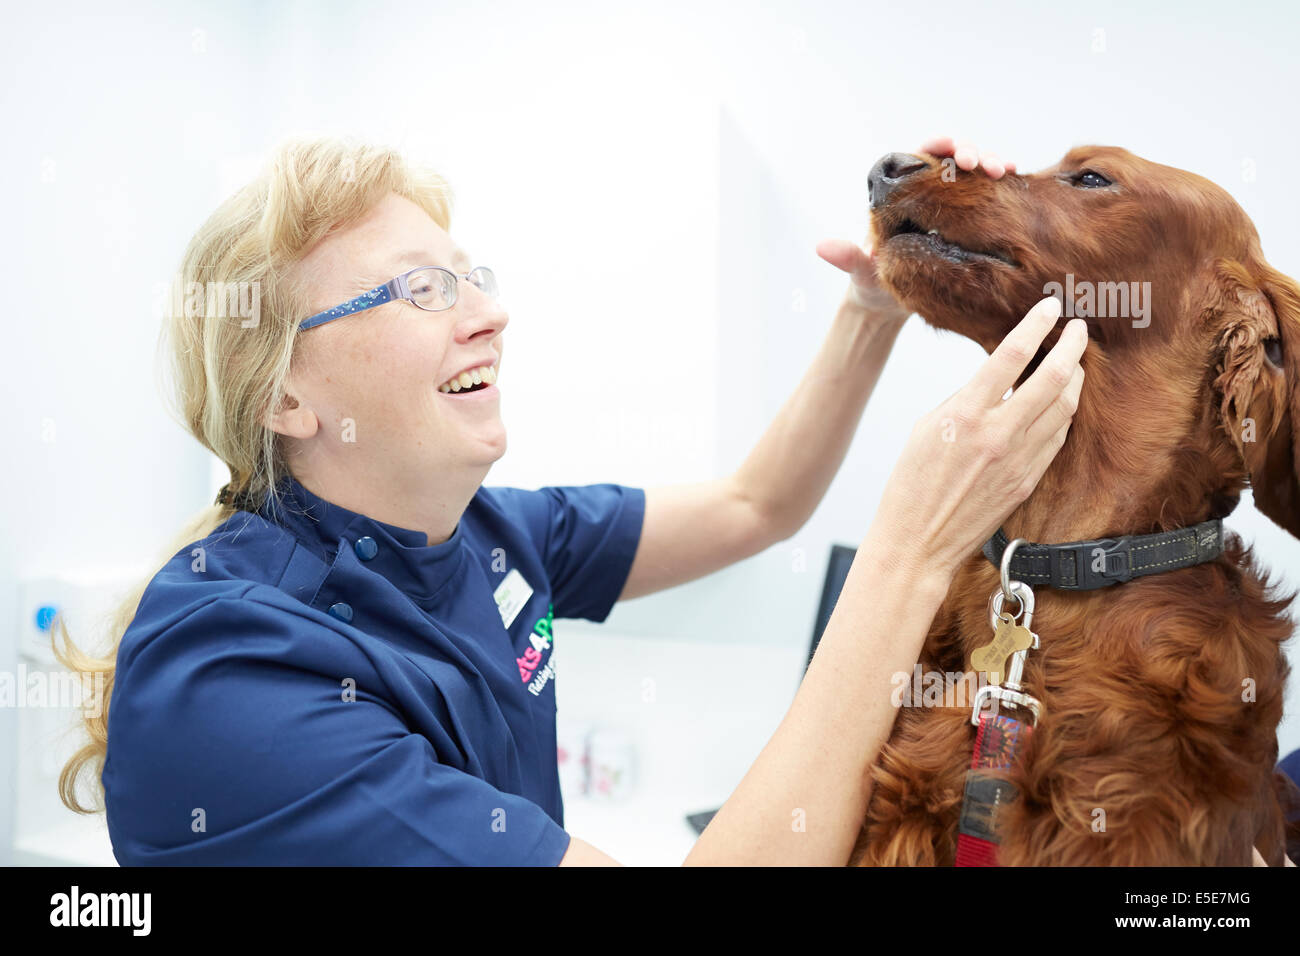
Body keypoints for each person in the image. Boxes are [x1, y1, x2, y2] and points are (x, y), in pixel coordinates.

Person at [55, 135, 1086, 865]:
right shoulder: (229, 671)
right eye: (424, 290)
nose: (491, 315)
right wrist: (909, 550)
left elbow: (753, 505)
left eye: (472, 277)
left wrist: (869, 313)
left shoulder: (485, 536)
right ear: (285, 393)